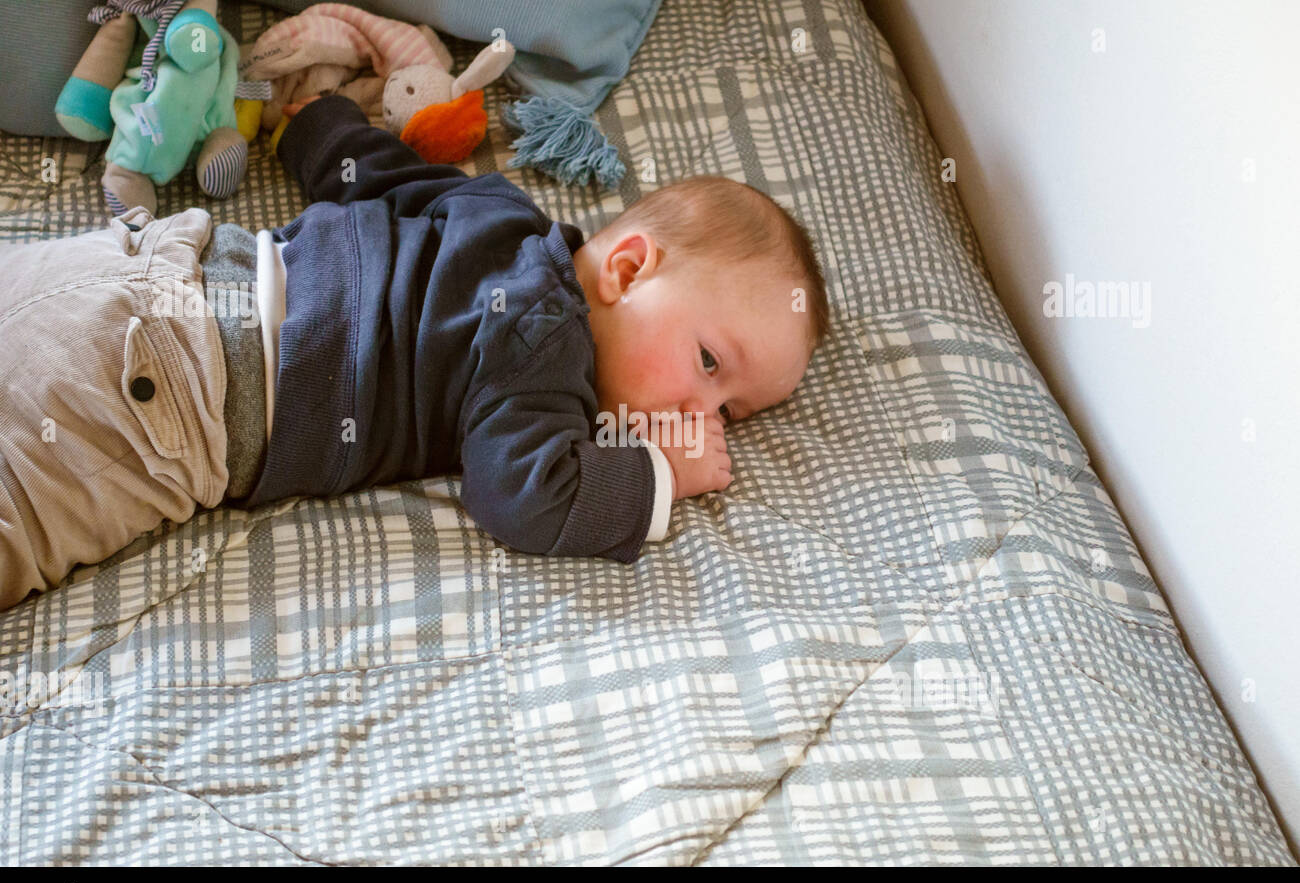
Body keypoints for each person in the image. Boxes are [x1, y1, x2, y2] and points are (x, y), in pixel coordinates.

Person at [0, 95, 829, 610]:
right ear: (627, 269)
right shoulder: (548, 349)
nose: (703, 415)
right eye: (710, 366)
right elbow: (524, 496)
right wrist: (659, 472)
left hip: (156, 262)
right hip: (179, 399)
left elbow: (380, 179)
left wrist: (315, 123)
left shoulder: (505, 214)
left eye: (733, 412)